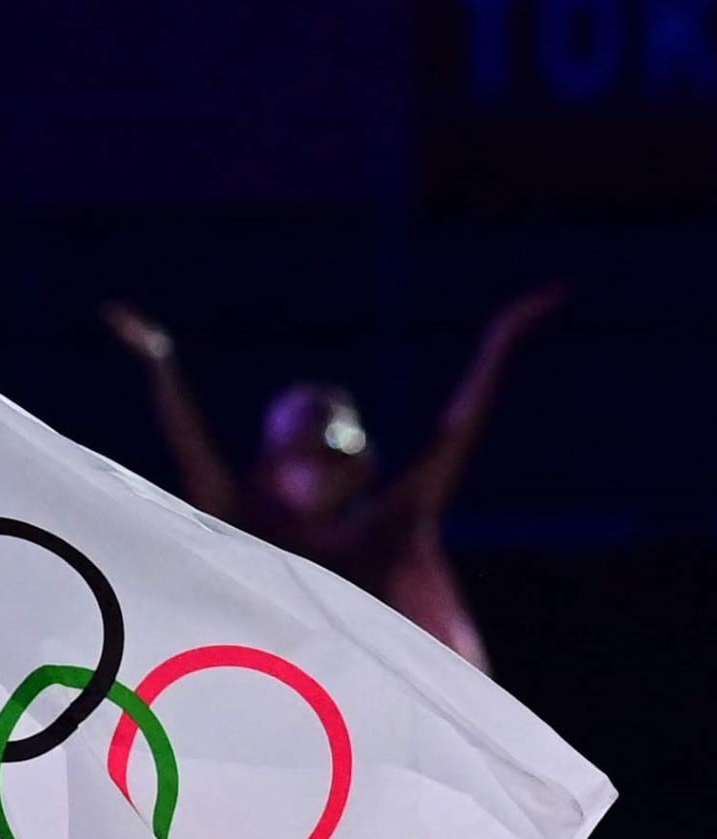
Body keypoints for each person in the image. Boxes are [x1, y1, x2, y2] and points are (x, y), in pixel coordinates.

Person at [102, 286, 563, 672]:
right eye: (304, 457)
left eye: (333, 459)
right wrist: (160, 362)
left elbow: (455, 434)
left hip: (406, 713)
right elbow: (194, 457)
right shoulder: (247, 525)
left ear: (359, 467)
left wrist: (498, 340)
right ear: (273, 469)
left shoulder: (392, 523)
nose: (319, 473)